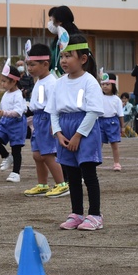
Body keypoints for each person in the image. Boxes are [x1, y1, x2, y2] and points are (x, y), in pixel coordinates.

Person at [45, 33, 104, 231]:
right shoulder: (59, 83)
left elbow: (94, 111)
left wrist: (79, 135)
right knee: (72, 174)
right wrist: (59, 133)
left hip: (84, 129)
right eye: (62, 56)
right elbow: (53, 111)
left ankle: (95, 214)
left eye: (69, 56)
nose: (64, 60)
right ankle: (77, 213)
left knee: (88, 172)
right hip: (64, 128)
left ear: (83, 59)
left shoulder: (89, 82)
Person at [23, 43, 69, 198]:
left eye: (32, 65)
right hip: (37, 119)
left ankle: (61, 184)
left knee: (48, 154)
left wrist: (53, 124)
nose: (29, 68)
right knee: (37, 155)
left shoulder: (51, 82)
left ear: (45, 64)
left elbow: (54, 105)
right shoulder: (39, 81)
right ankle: (42, 184)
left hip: (46, 119)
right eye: (28, 64)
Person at [0, 62, 27, 183]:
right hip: (5, 122)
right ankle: (6, 156)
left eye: (4, 81)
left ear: (13, 82)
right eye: (2, 81)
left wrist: (5, 113)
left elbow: (18, 111)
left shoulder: (18, 95)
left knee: (16, 148)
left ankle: (16, 173)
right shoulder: (6, 94)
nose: (2, 84)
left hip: (16, 123)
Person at [99, 73, 125, 171]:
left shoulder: (116, 99)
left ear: (113, 85)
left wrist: (122, 127)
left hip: (112, 122)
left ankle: (116, 163)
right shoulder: (98, 96)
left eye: (107, 84)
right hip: (100, 121)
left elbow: (120, 114)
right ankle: (95, 161)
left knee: (114, 144)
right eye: (103, 84)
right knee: (98, 143)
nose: (104, 86)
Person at [48, 5, 81, 75]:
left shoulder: (77, 40)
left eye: (52, 21)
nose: (51, 24)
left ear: (59, 21)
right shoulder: (56, 41)